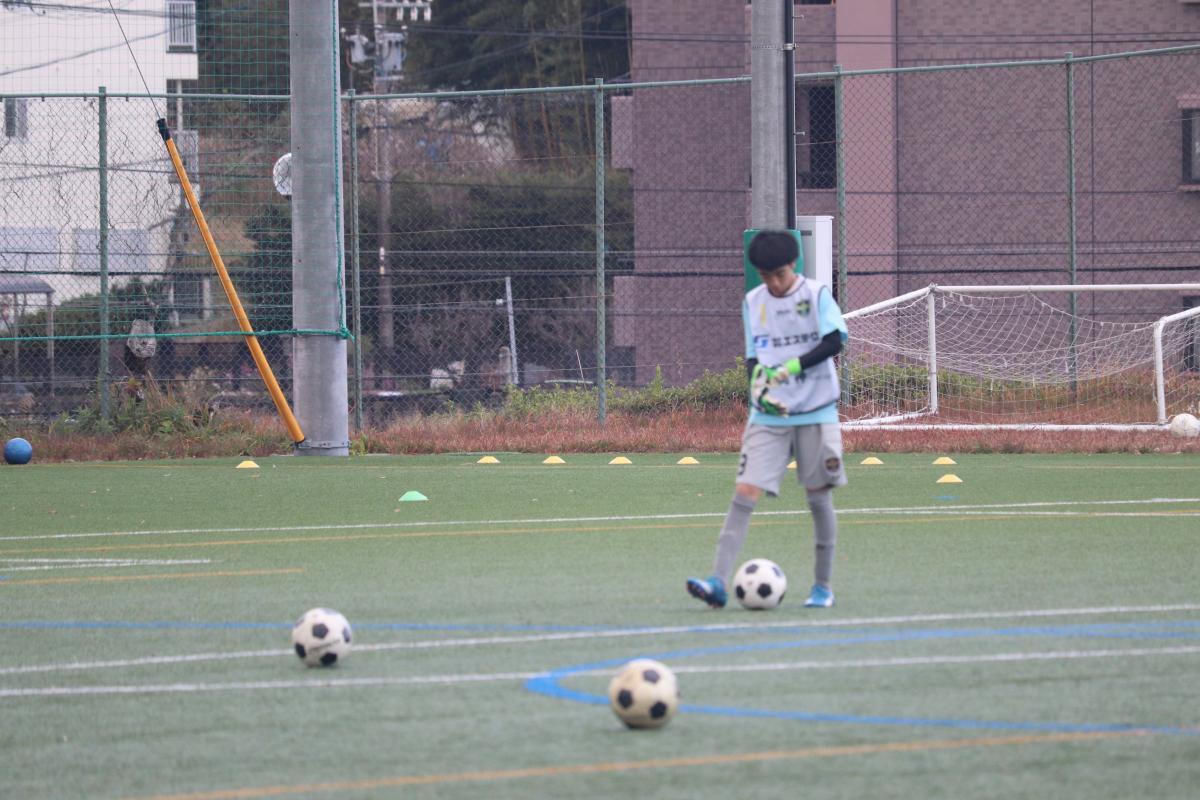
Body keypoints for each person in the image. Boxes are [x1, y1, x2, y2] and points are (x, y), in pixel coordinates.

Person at [687, 229, 849, 609]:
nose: (774, 283)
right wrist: (758, 386)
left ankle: (822, 587)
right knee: (745, 491)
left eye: (780, 274)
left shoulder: (816, 294)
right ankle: (717, 583)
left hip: (816, 411)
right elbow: (753, 358)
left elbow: (835, 341)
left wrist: (791, 367)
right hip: (769, 415)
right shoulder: (753, 302)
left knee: (818, 497)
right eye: (765, 275)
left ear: (793, 264)